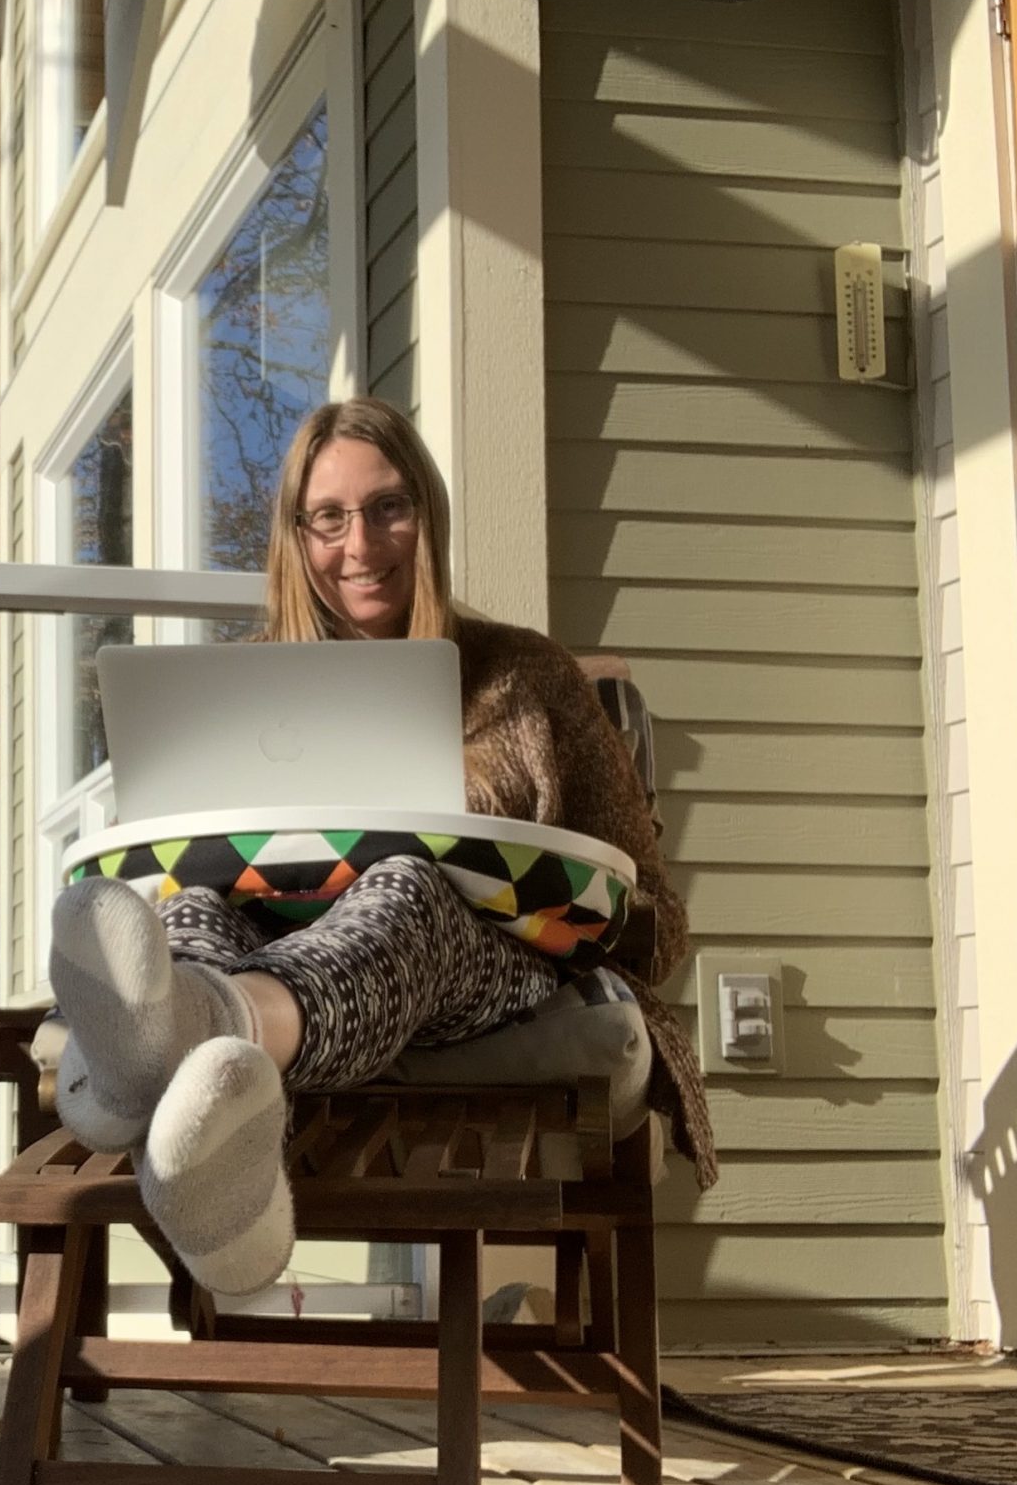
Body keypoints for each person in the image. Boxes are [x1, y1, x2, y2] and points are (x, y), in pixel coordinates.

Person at [47, 398, 711, 1295]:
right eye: (329, 517)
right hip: (271, 951)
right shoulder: (239, 693)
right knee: (195, 905)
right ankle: (213, 1109)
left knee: (405, 882)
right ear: (295, 535)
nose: (359, 544)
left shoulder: (527, 675)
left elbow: (658, 925)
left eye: (387, 508)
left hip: (483, 969)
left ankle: (166, 1050)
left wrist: (569, 902)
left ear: (427, 516)